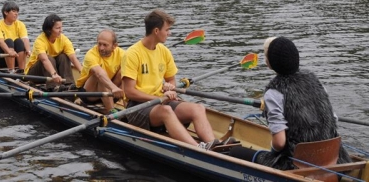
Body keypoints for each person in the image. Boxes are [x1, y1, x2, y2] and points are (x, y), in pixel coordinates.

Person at [228, 36, 351, 169]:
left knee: (235, 151)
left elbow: (279, 143)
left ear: (270, 64)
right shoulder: (315, 81)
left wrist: (271, 154)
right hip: (334, 159)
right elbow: (333, 119)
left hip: (296, 164)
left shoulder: (273, 92)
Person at [121, 9, 218, 150]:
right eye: (167, 29)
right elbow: (129, 92)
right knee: (166, 110)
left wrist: (170, 87)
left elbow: (171, 80)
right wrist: (159, 98)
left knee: (198, 108)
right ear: (156, 31)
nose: (169, 33)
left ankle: (214, 146)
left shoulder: (164, 51)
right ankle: (197, 148)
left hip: (160, 102)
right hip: (136, 107)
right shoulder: (132, 54)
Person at [75, 29, 125, 114]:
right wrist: (114, 88)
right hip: (89, 94)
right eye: (99, 44)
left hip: (111, 92)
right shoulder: (91, 54)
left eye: (105, 45)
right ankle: (111, 111)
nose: (101, 48)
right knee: (99, 75)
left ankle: (126, 104)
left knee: (125, 72)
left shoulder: (122, 54)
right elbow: (99, 73)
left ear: (114, 46)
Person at [25, 14, 82, 86]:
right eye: (58, 28)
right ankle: (53, 87)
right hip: (34, 74)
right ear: (49, 30)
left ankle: (68, 84)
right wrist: (54, 74)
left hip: (51, 71)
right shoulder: (40, 41)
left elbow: (73, 58)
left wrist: (82, 72)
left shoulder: (63, 39)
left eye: (61, 27)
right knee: (49, 58)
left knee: (64, 57)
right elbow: (44, 60)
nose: (61, 31)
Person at [0, 0, 31, 72]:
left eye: (17, 12)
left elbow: (25, 39)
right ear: (6, 12)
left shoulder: (20, 24)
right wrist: (9, 52)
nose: (16, 14)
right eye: (14, 11)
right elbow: (1, 42)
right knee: (8, 41)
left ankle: (21, 71)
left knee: (19, 41)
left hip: (16, 57)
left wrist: (28, 50)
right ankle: (11, 71)